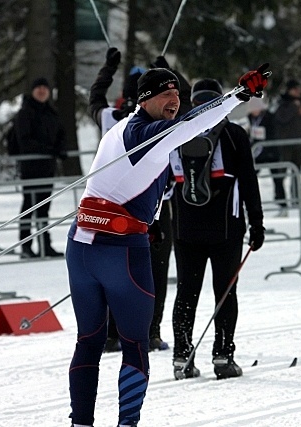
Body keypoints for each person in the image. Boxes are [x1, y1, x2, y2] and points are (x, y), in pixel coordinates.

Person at [65, 64, 270, 427]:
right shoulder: (146, 132)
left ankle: (80, 423)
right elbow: (193, 125)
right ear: (145, 100)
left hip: (82, 244)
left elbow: (141, 172)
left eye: (177, 95)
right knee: (134, 345)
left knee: (90, 341)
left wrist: (154, 222)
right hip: (121, 249)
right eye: (166, 95)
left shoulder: (118, 130)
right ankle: (127, 423)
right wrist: (236, 96)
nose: (175, 101)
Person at [88, 49, 191, 353]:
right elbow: (185, 100)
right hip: (130, 205)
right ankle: (137, 332)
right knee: (147, 271)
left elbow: (95, 98)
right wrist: (166, 67)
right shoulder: (123, 120)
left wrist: (108, 68)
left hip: (155, 201)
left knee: (133, 271)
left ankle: (125, 333)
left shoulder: (117, 115)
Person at [169, 78, 265, 381]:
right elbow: (248, 181)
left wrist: (153, 224)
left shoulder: (175, 134)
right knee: (224, 291)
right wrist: (257, 222)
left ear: (194, 103)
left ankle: (181, 356)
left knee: (186, 291)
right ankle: (223, 356)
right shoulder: (234, 135)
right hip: (225, 229)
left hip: (184, 228)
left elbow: (161, 184)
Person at [14, 77, 67, 258]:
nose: (42, 91)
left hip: (47, 167)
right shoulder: (25, 113)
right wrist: (49, 150)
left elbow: (60, 133)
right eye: (39, 88)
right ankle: (26, 245)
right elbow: (25, 141)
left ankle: (45, 244)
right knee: (29, 206)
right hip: (30, 168)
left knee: (44, 208)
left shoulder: (51, 112)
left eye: (45, 88)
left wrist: (60, 149)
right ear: (33, 91)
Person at [273, 79, 301, 209]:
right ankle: (280, 198)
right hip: (286, 144)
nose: (298, 92)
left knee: (297, 173)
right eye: (295, 89)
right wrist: (294, 107)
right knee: (282, 172)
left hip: (299, 142)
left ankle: (296, 198)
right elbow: (282, 118)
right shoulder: (283, 103)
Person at [247, 96, 285, 215]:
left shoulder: (269, 117)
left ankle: (282, 203)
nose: (254, 112)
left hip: (271, 152)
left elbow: (273, 133)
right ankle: (248, 202)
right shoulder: (250, 118)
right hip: (258, 153)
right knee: (250, 177)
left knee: (277, 179)